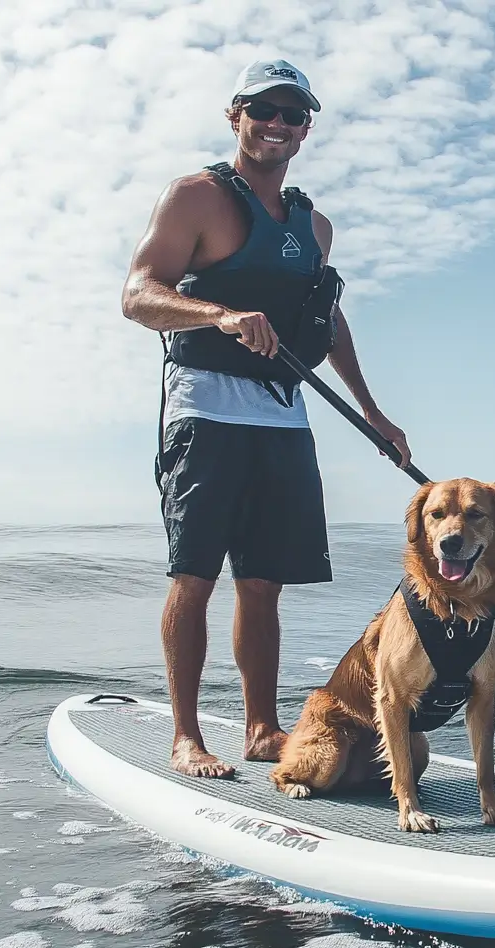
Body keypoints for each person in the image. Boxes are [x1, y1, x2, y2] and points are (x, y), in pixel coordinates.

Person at [121, 58, 410, 780]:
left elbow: (328, 321)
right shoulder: (195, 196)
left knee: (263, 583)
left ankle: (259, 728)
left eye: (293, 113)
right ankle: (186, 735)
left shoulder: (314, 225)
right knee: (195, 575)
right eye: (264, 109)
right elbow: (137, 294)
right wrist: (219, 315)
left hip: (283, 417)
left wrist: (374, 413)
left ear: (307, 129)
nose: (277, 123)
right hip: (204, 406)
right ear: (236, 115)